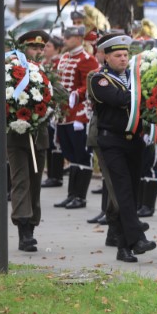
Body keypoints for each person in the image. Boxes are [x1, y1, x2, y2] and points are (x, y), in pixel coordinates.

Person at [88, 33, 157, 262]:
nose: (123, 59)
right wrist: (145, 94)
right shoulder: (99, 79)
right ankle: (136, 238)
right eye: (117, 55)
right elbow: (119, 99)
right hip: (111, 142)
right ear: (106, 57)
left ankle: (123, 246)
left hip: (134, 141)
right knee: (122, 191)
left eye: (126, 55)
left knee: (130, 192)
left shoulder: (134, 78)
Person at [6, 30, 51, 252]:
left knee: (35, 184)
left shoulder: (45, 72)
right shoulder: (11, 71)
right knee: (21, 181)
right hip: (16, 136)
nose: (39, 52)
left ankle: (32, 226)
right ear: (23, 48)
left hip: (38, 135)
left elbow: (56, 95)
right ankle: (23, 230)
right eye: (34, 47)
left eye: (41, 48)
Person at [54, 25, 99, 209]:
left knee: (82, 154)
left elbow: (88, 84)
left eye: (69, 37)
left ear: (79, 38)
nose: (65, 39)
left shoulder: (87, 59)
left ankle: (80, 196)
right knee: (71, 154)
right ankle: (71, 194)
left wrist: (75, 94)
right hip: (63, 114)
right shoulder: (64, 58)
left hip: (79, 114)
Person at [41, 35, 65, 189]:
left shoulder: (58, 63)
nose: (44, 49)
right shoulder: (44, 63)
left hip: (55, 107)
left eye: (48, 46)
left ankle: (56, 175)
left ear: (57, 49)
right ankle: (51, 174)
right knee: (49, 143)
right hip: (46, 106)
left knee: (55, 142)